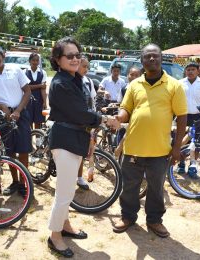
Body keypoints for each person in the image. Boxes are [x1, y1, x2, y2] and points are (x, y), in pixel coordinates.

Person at [47, 36, 118, 258]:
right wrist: (105, 120)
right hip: (65, 139)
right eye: (70, 56)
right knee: (65, 193)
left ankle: (65, 225)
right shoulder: (61, 83)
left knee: (67, 191)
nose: (75, 59)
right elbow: (80, 113)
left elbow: (84, 111)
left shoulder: (74, 78)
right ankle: (54, 236)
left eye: (77, 55)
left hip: (75, 137)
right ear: (58, 60)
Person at [112, 43, 187, 238]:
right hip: (133, 147)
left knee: (156, 188)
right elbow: (126, 108)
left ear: (161, 58)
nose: (151, 59)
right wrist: (119, 117)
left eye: (155, 56)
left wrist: (177, 147)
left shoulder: (174, 85)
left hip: (160, 150)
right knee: (129, 186)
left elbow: (181, 118)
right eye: (147, 57)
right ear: (142, 60)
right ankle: (128, 216)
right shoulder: (134, 85)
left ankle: (154, 220)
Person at [0, 45, 32, 196]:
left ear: (3, 55)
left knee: (23, 150)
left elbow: (27, 91)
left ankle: (24, 183)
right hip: (3, 118)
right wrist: (2, 106)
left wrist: (17, 110)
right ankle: (15, 181)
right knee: (10, 152)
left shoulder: (15, 69)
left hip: (21, 113)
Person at [176, 62, 200, 174]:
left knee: (197, 143)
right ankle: (181, 163)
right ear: (185, 71)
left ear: (198, 70)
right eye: (188, 70)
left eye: (193, 69)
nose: (190, 72)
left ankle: (193, 165)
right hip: (183, 117)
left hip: (199, 117)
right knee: (181, 141)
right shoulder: (179, 83)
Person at [76, 55, 97, 189]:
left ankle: (79, 177)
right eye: (84, 66)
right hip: (74, 122)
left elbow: (93, 102)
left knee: (83, 152)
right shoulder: (70, 81)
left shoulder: (88, 81)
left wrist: (94, 120)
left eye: (87, 66)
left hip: (86, 123)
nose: (86, 69)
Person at [26, 53, 47, 129]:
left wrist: (44, 101)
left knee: (38, 120)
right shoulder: (25, 72)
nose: (35, 62)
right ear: (29, 61)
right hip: (27, 99)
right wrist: (40, 85)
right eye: (33, 60)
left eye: (37, 60)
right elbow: (26, 88)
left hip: (39, 98)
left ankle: (38, 139)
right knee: (29, 120)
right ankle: (30, 138)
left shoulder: (43, 73)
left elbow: (43, 89)